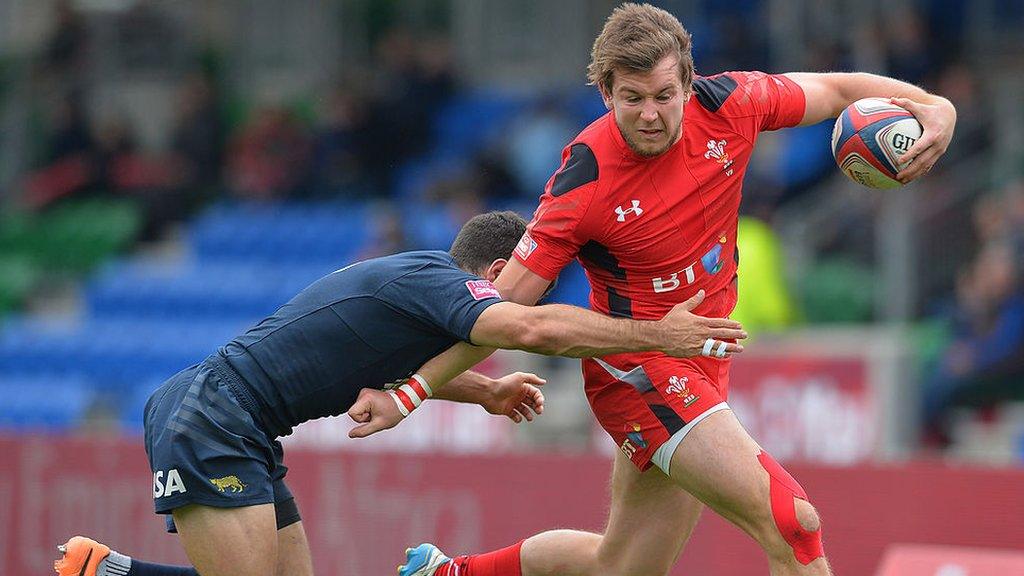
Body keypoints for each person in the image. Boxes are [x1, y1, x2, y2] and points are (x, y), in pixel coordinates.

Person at [374, 4, 956, 575]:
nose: (650, 114)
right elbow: (503, 313)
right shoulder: (582, 181)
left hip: (702, 357)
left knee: (622, 565)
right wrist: (413, 385)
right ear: (606, 92)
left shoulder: (734, 103)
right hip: (637, 368)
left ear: (688, 83)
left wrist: (937, 107)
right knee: (793, 521)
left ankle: (447, 573)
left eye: (663, 96)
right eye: (632, 98)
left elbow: (836, 91)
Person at [54, 210, 747, 576]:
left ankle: (112, 572)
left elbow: (379, 367)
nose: (533, 289)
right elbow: (534, 326)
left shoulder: (420, 299)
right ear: (502, 270)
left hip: (235, 421)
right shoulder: (439, 285)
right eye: (534, 276)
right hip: (214, 412)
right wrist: (663, 333)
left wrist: (482, 393)